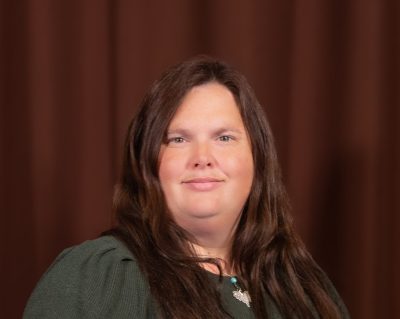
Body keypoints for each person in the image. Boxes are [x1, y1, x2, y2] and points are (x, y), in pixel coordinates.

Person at [24, 56, 350, 319]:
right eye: (178, 140)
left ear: (258, 159)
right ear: (147, 162)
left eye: (224, 138)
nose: (202, 158)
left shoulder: (302, 286)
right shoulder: (100, 277)